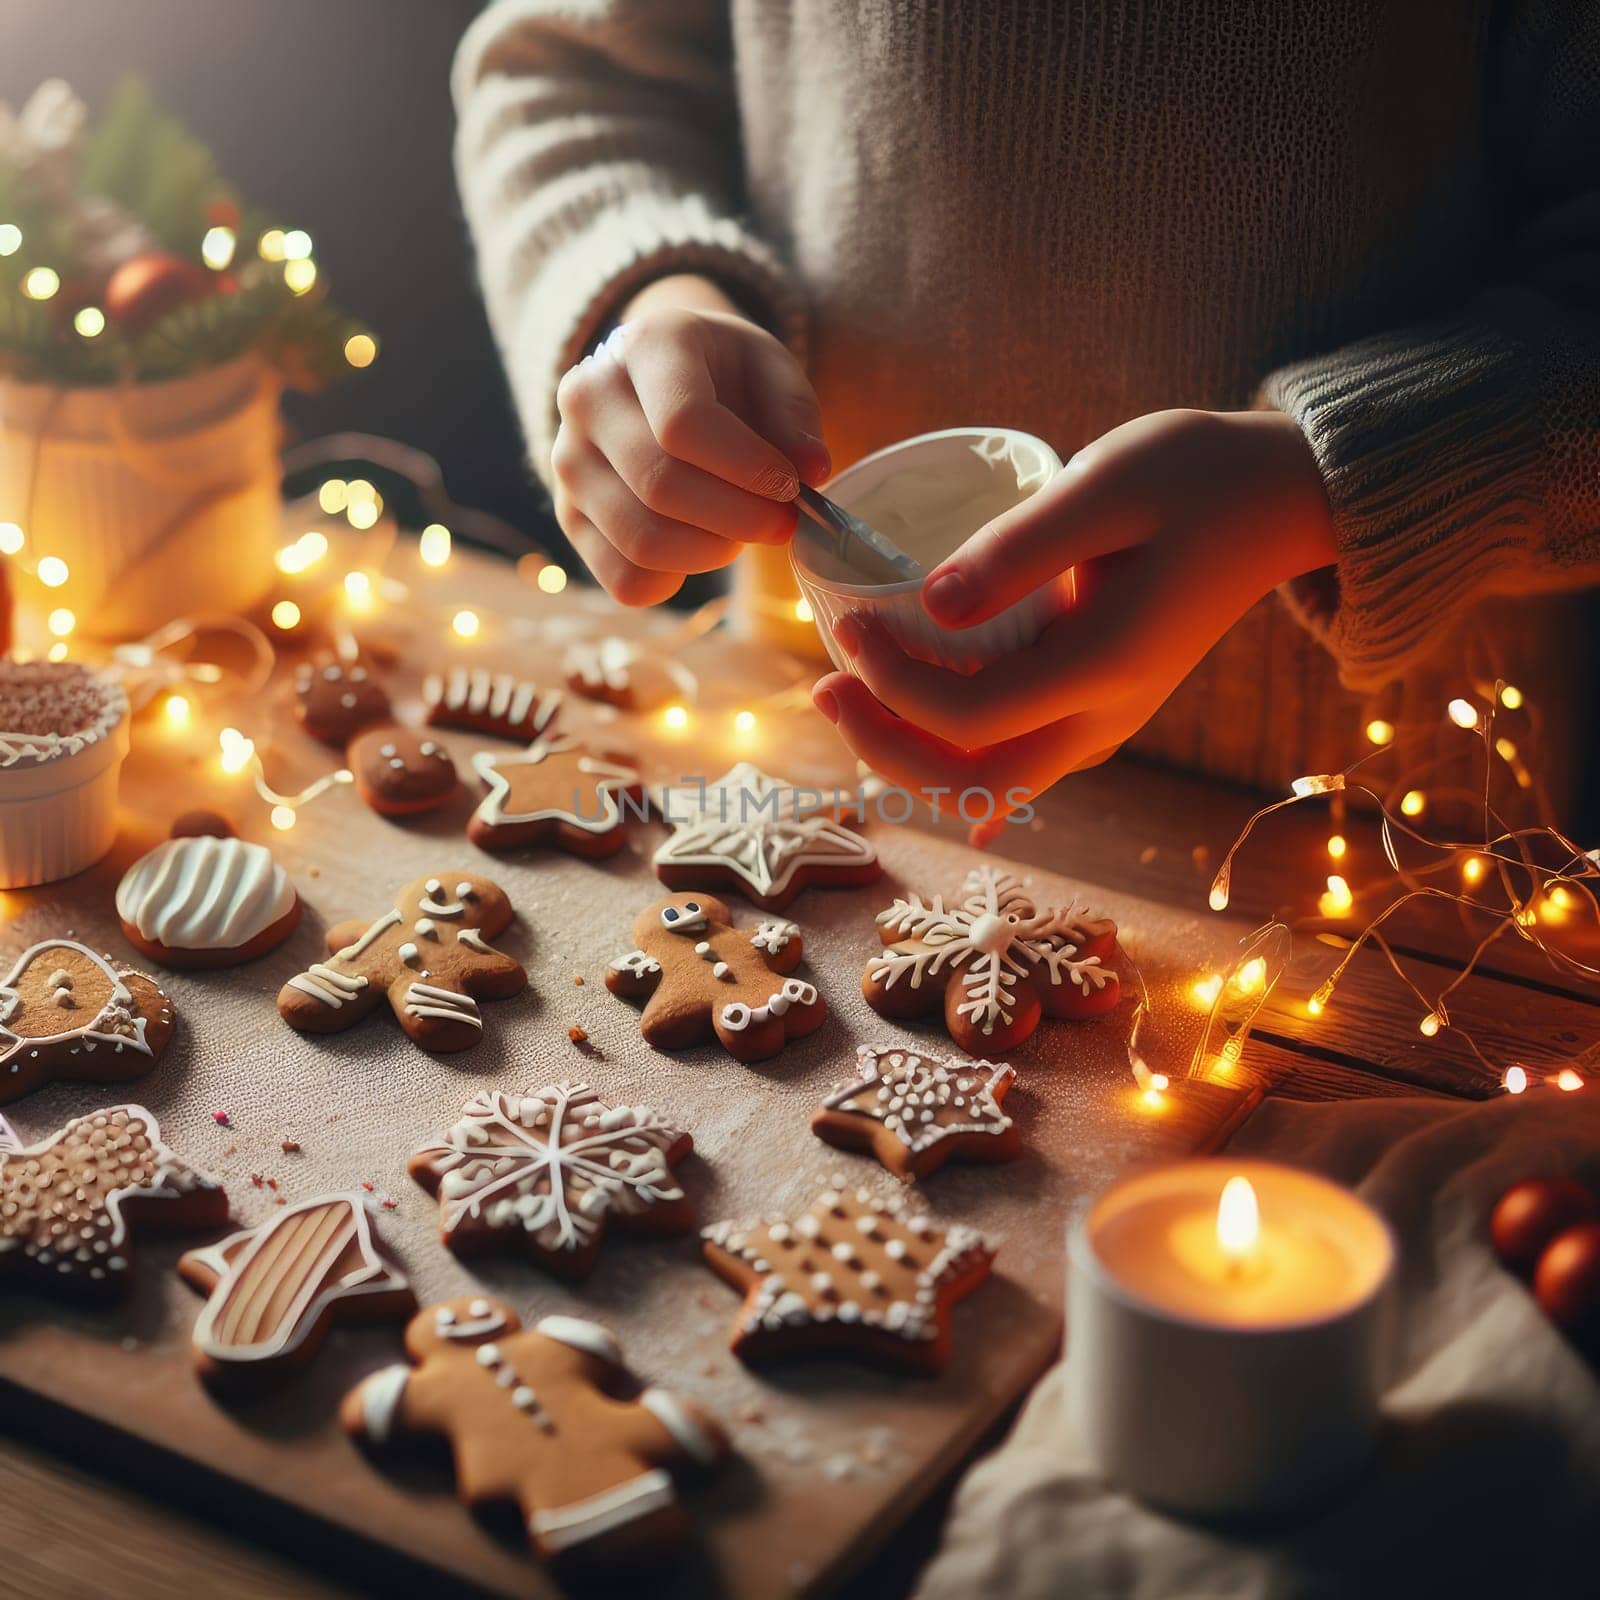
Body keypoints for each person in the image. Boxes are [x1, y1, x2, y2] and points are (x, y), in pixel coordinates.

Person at [453, 1, 1599, 836]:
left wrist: (1316, 490)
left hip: (1392, 839)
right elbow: (571, 65)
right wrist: (645, 297)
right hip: (810, 752)